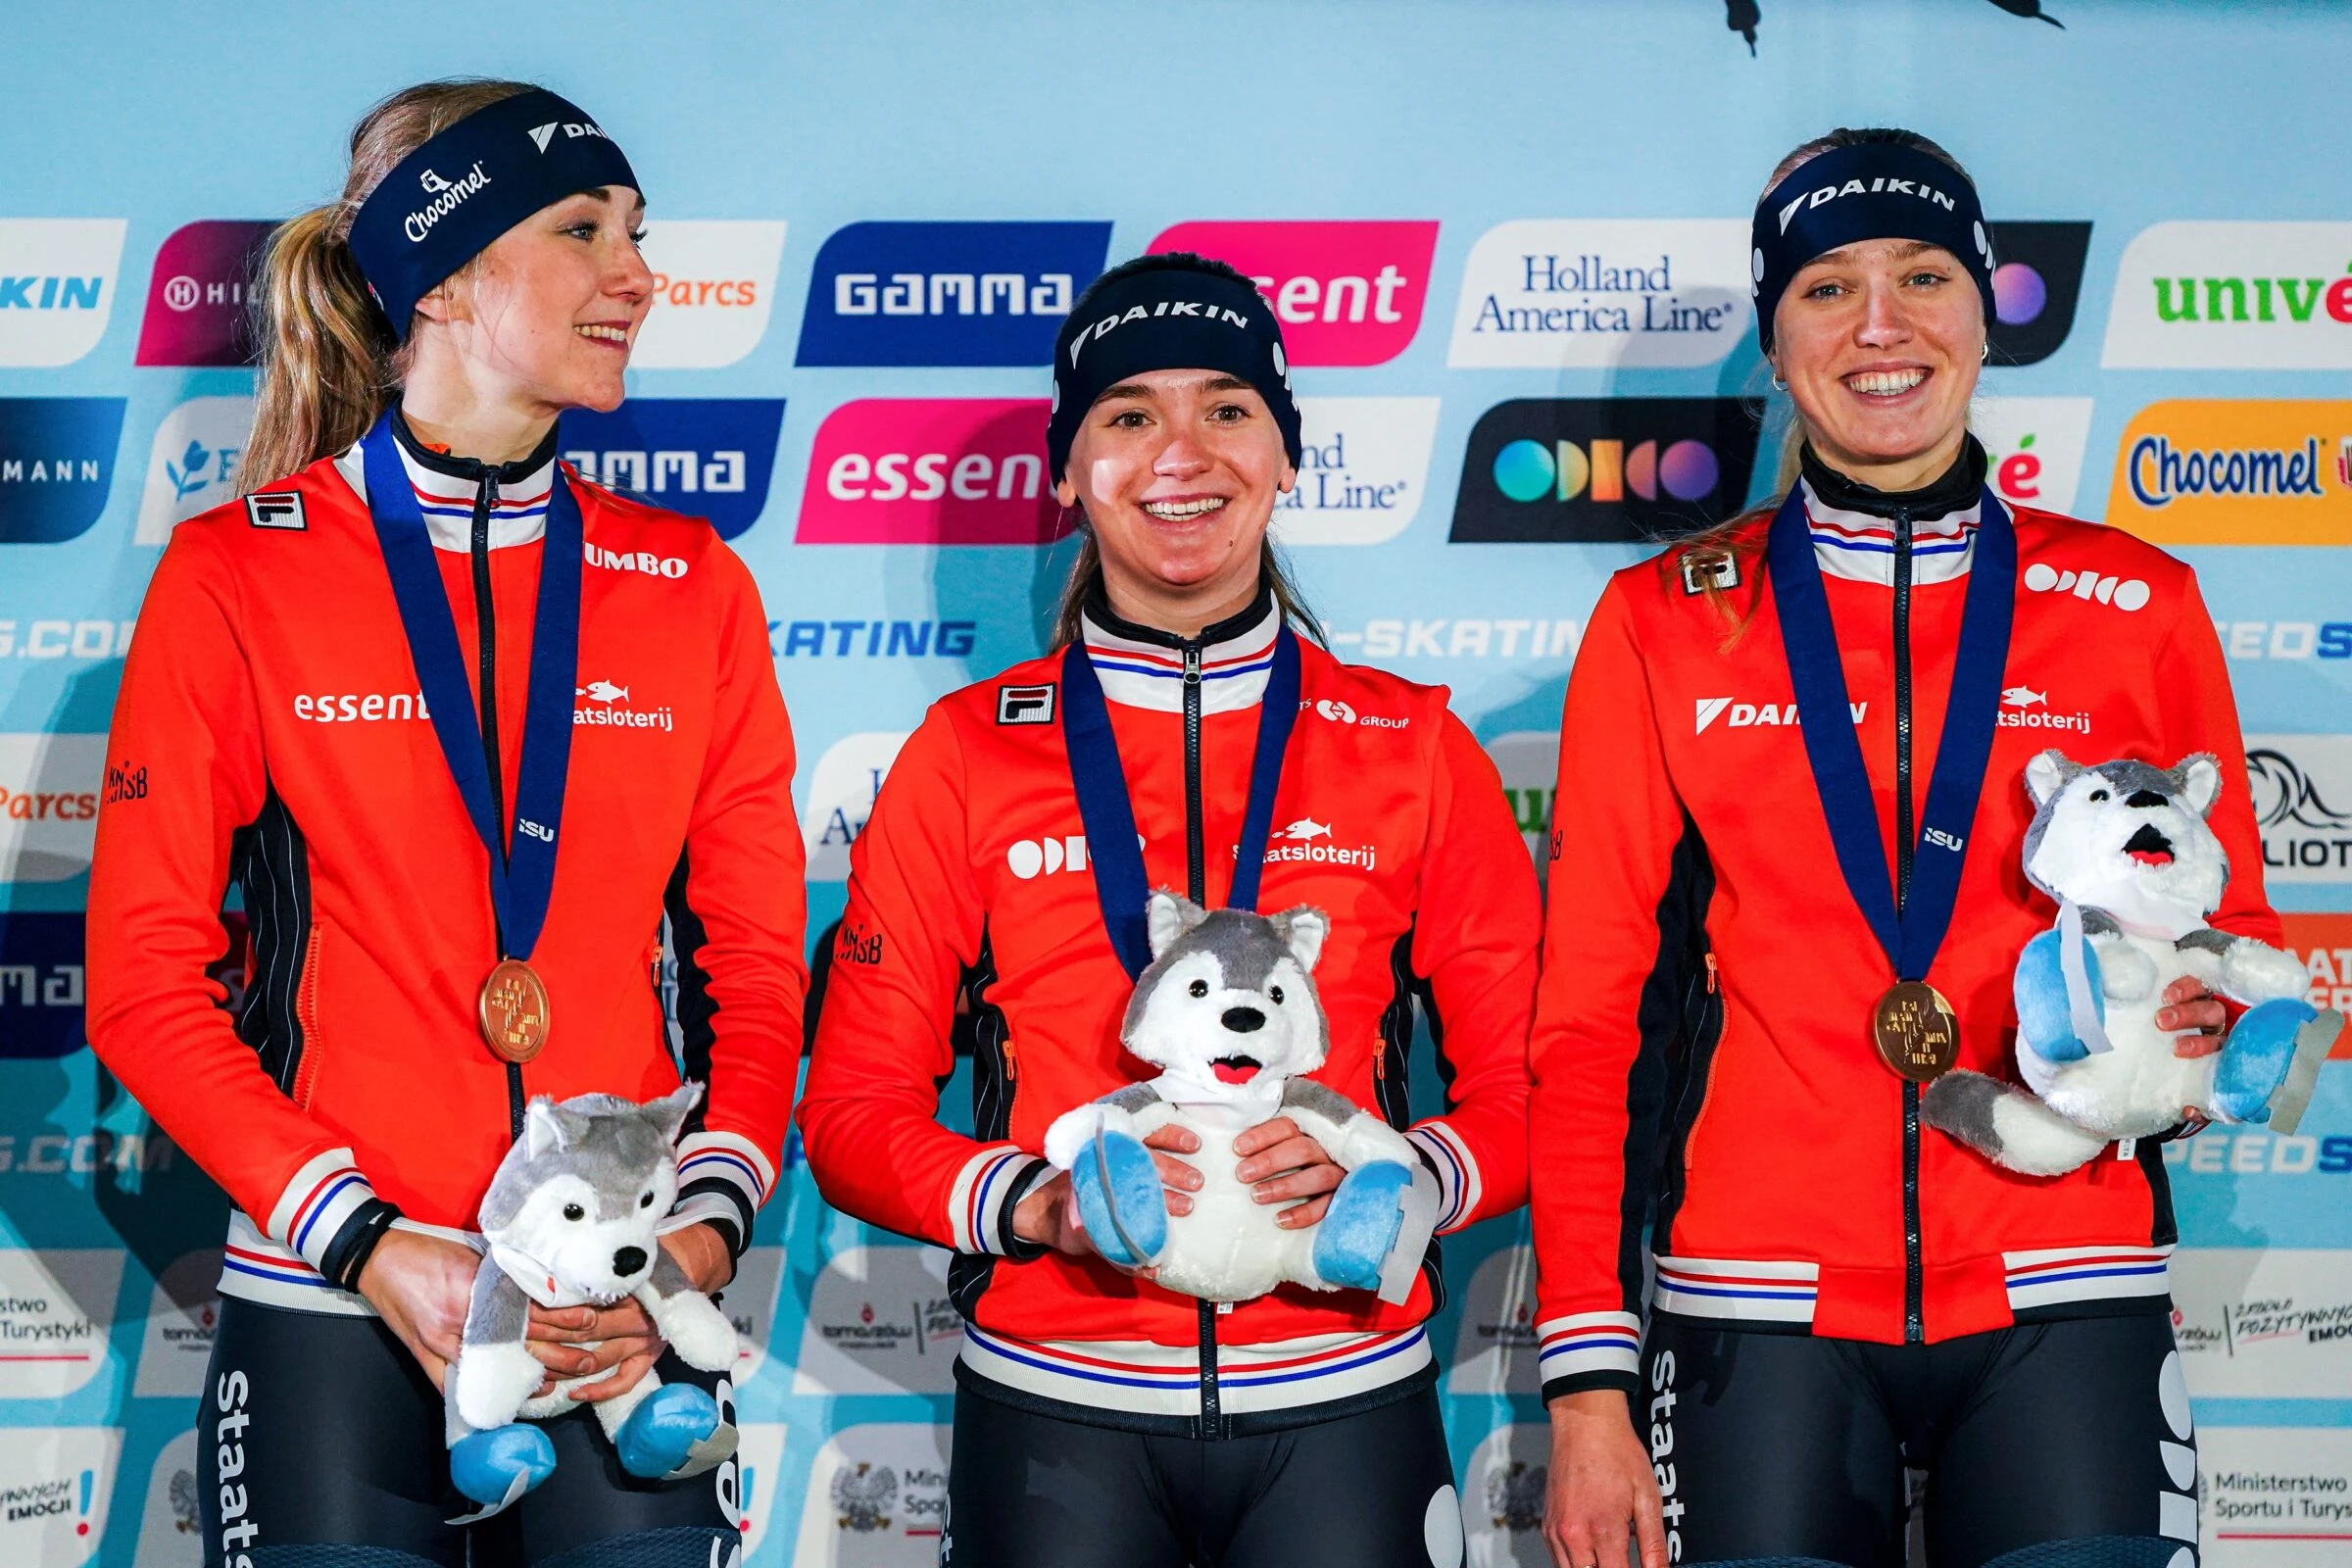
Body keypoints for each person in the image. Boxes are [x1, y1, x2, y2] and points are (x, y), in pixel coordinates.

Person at [85, 79, 805, 1568]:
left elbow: (754, 967)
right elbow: (144, 984)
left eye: (640, 234)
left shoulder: (692, 582)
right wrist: (362, 1240)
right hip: (334, 1306)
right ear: (448, 276)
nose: (639, 277)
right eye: (586, 230)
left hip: (613, 1307)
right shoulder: (238, 574)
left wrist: (696, 1235)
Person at [1530, 127, 2265, 1568]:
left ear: (1987, 313)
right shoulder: (1664, 622)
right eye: (1827, 289)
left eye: (1924, 276)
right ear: (1773, 341)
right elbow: (1590, 1027)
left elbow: (2236, 942)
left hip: (2067, 1281)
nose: (1880, 326)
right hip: (1756, 1312)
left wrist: (2196, 1049)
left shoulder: (2136, 604)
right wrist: (1586, 1382)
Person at [798, 251, 1536, 1568]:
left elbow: (1539, 1087)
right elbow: (852, 1111)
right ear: (1066, 472)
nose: (1181, 454)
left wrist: (1404, 1173)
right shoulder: (966, 756)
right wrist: (1032, 1203)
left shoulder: (1413, 748)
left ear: (1286, 455)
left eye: (1227, 409)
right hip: (1056, 1413)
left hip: (1347, 1402)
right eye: (1130, 414)